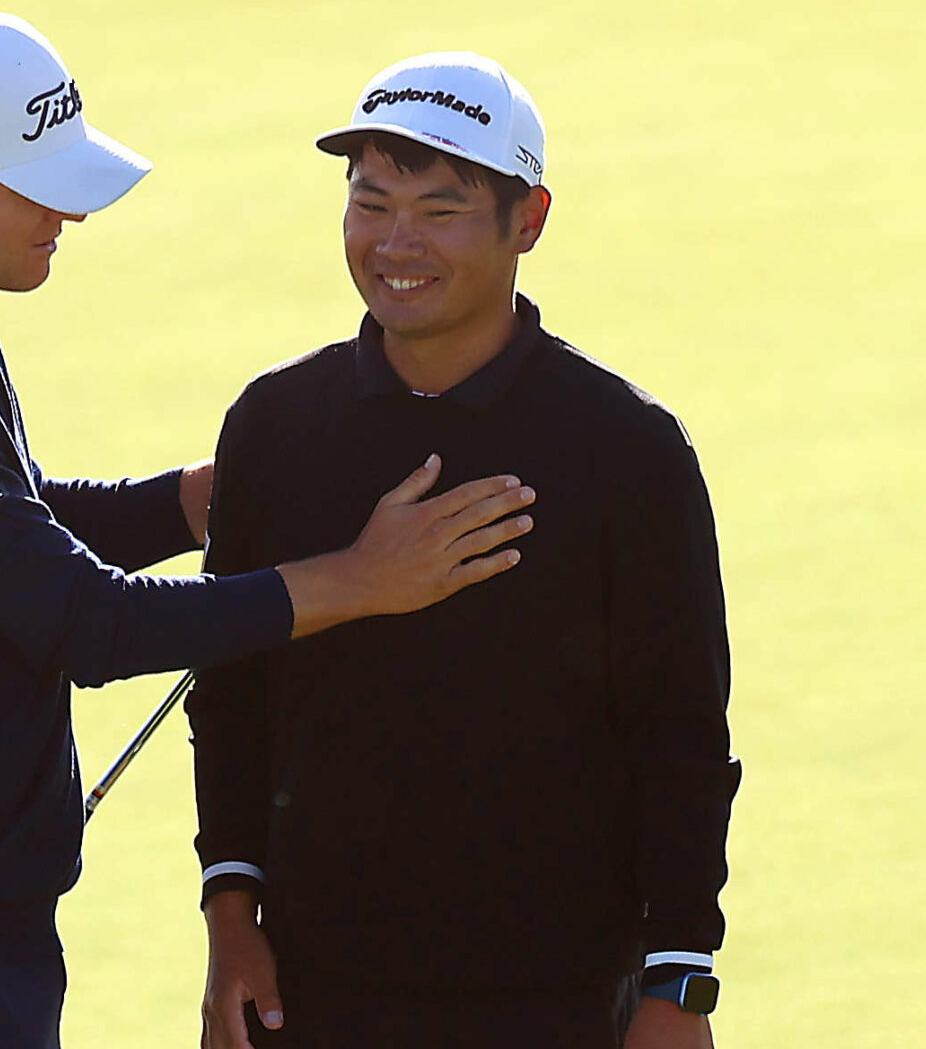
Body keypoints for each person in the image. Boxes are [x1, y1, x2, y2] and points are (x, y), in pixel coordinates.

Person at [0, 11, 538, 1049]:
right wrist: (356, 579)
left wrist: (189, 502)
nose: (68, 209)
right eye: (37, 181)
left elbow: (5, 533)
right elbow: (87, 623)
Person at [189, 52, 743, 1049]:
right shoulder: (276, 426)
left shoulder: (626, 449)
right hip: (314, 994)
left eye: (439, 210)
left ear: (526, 221)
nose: (395, 241)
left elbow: (681, 737)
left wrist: (679, 986)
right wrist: (232, 925)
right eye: (371, 201)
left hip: (560, 1000)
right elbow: (229, 703)